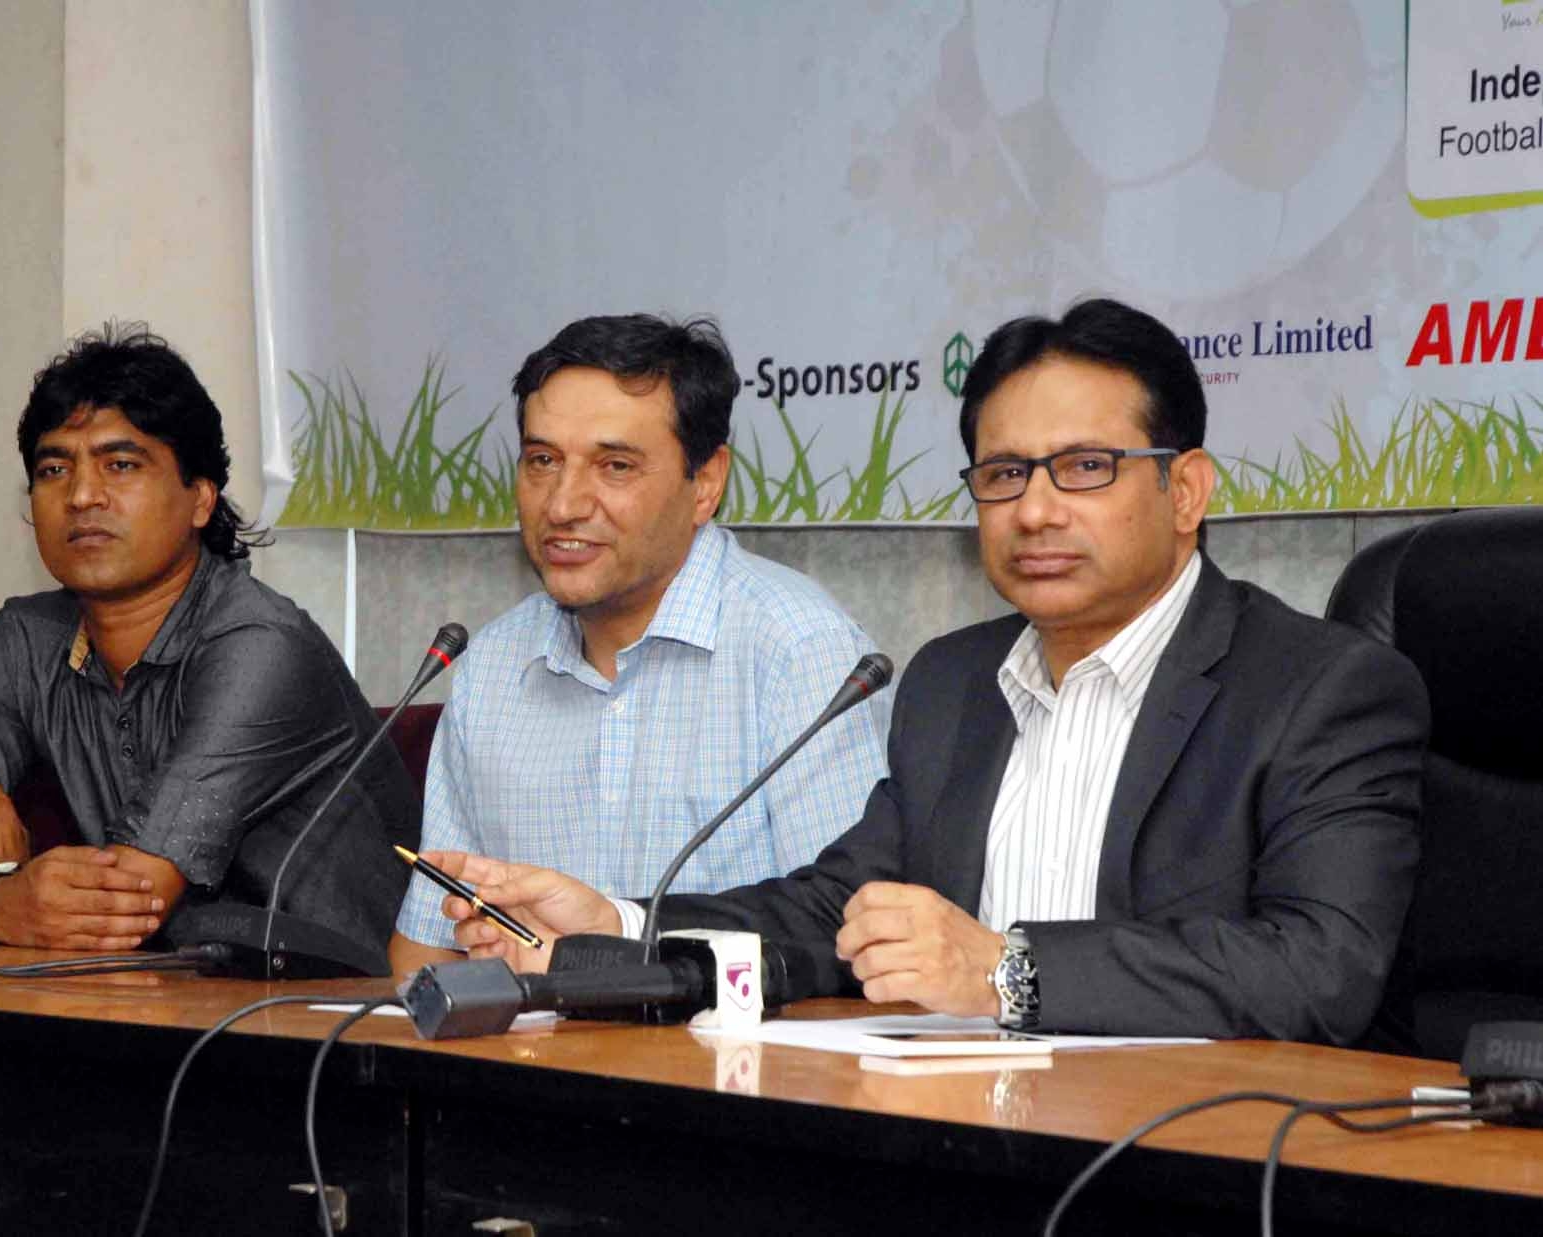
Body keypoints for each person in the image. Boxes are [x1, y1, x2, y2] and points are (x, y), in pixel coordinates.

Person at [428, 299, 1428, 1045]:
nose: (1035, 510)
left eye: (1085, 468)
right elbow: (834, 913)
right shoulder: (954, 681)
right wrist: (622, 923)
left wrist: (1009, 971)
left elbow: (1320, 968)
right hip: (960, 1148)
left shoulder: (1321, 687)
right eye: (1003, 475)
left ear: (1187, 489)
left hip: (1194, 1156)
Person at [0, 324, 419, 954]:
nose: (81, 496)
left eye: (121, 465)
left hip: (336, 1014)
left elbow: (130, 904)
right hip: (153, 999)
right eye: (54, 468)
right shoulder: (23, 640)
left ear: (201, 498)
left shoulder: (260, 645)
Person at [390, 314, 889, 973]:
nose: (564, 504)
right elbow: (427, 950)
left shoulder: (799, 651)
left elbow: (853, 932)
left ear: (705, 482)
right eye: (542, 461)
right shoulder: (489, 667)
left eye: (614, 465)